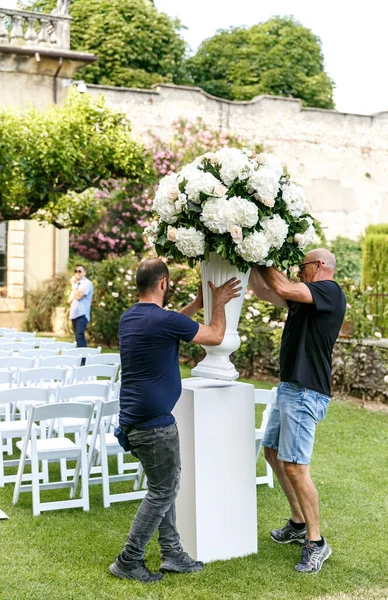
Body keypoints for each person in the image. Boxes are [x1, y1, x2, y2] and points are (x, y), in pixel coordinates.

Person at [109, 258, 242, 583]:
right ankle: (129, 560)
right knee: (162, 491)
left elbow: (171, 323)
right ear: (164, 284)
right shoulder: (162, 320)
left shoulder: (131, 318)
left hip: (133, 423)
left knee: (163, 487)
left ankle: (173, 554)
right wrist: (219, 303)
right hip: (153, 426)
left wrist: (198, 303)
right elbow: (215, 335)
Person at [250, 248, 346, 574]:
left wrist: (257, 245)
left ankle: (316, 542)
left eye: (301, 266)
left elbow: (282, 287)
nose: (297, 271)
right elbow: (264, 290)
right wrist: (244, 258)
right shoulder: (306, 298)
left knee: (295, 466)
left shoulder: (329, 291)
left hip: (306, 392)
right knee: (273, 452)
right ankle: (298, 522)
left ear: (319, 265)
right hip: (290, 388)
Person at [67, 264, 94, 348]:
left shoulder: (87, 283)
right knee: (77, 337)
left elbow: (78, 297)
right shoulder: (77, 284)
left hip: (82, 314)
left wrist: (74, 286)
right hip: (74, 314)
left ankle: (84, 358)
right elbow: (69, 300)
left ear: (84, 273)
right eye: (76, 271)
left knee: (80, 336)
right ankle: (79, 357)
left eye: (80, 271)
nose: (77, 273)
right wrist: (75, 289)